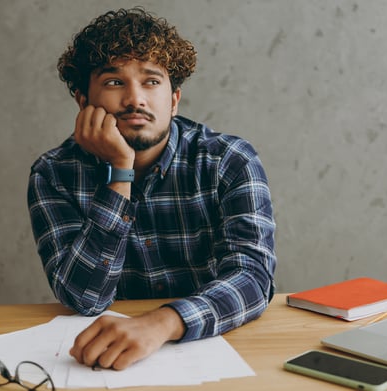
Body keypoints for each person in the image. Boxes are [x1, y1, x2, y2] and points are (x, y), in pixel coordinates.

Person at [27, 7, 276, 370]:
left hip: (216, 348)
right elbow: (83, 298)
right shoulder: (53, 174)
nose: (135, 99)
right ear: (83, 101)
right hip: (108, 360)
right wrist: (119, 172)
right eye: (115, 82)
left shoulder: (228, 160)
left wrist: (161, 323)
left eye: (151, 81)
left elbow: (253, 277)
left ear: (174, 100)